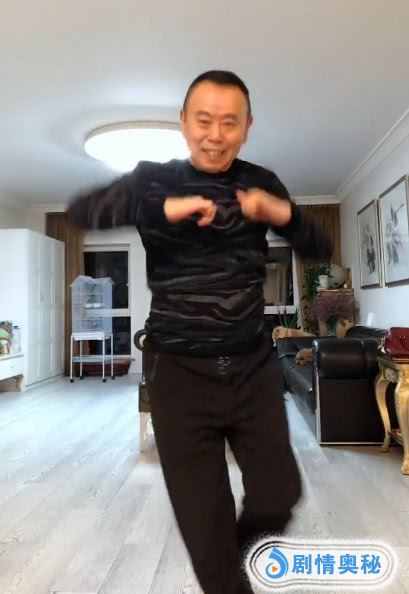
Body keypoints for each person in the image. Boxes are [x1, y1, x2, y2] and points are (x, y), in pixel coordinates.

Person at [67, 70, 332, 594]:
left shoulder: (262, 181)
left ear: (247, 127)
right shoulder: (152, 178)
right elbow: (81, 211)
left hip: (252, 366)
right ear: (184, 123)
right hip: (178, 373)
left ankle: (234, 567)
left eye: (229, 123)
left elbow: (320, 247)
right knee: (207, 529)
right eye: (204, 120)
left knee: (279, 494)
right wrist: (161, 209)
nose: (215, 135)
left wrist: (281, 213)